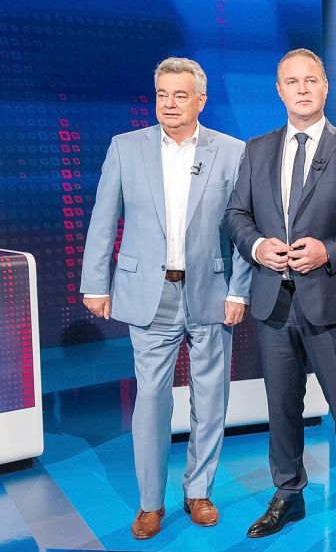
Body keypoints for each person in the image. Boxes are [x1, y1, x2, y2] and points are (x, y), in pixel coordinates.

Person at [80, 57, 249, 539]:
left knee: (210, 397)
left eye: (179, 95)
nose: (169, 104)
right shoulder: (125, 148)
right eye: (161, 95)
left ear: (200, 100)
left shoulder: (231, 151)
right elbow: (103, 216)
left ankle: (199, 492)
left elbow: (242, 228)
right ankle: (150, 503)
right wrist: (96, 282)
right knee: (151, 400)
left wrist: (239, 288)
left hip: (212, 292)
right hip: (147, 295)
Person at [224, 48, 336, 543]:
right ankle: (288, 493)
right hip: (273, 301)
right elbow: (237, 215)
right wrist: (256, 245)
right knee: (282, 406)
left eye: (310, 80)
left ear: (325, 86)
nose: (301, 89)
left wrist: (328, 250)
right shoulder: (256, 149)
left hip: (331, 300)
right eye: (291, 82)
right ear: (279, 90)